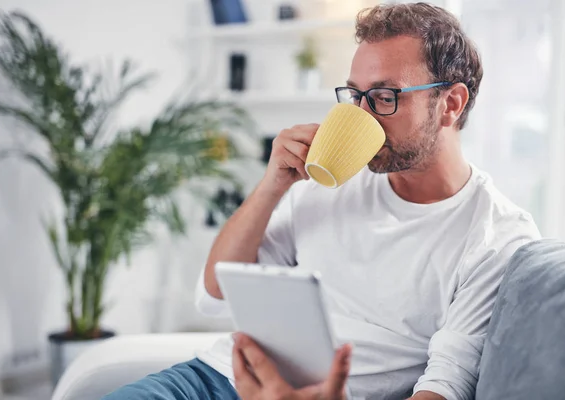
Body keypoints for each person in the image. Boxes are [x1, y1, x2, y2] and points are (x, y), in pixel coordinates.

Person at [103, 2, 541, 400]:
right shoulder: (328, 182)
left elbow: (446, 383)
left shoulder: (495, 234)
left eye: (385, 97)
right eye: (355, 95)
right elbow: (214, 296)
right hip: (215, 379)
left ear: (450, 103)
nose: (361, 114)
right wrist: (272, 185)